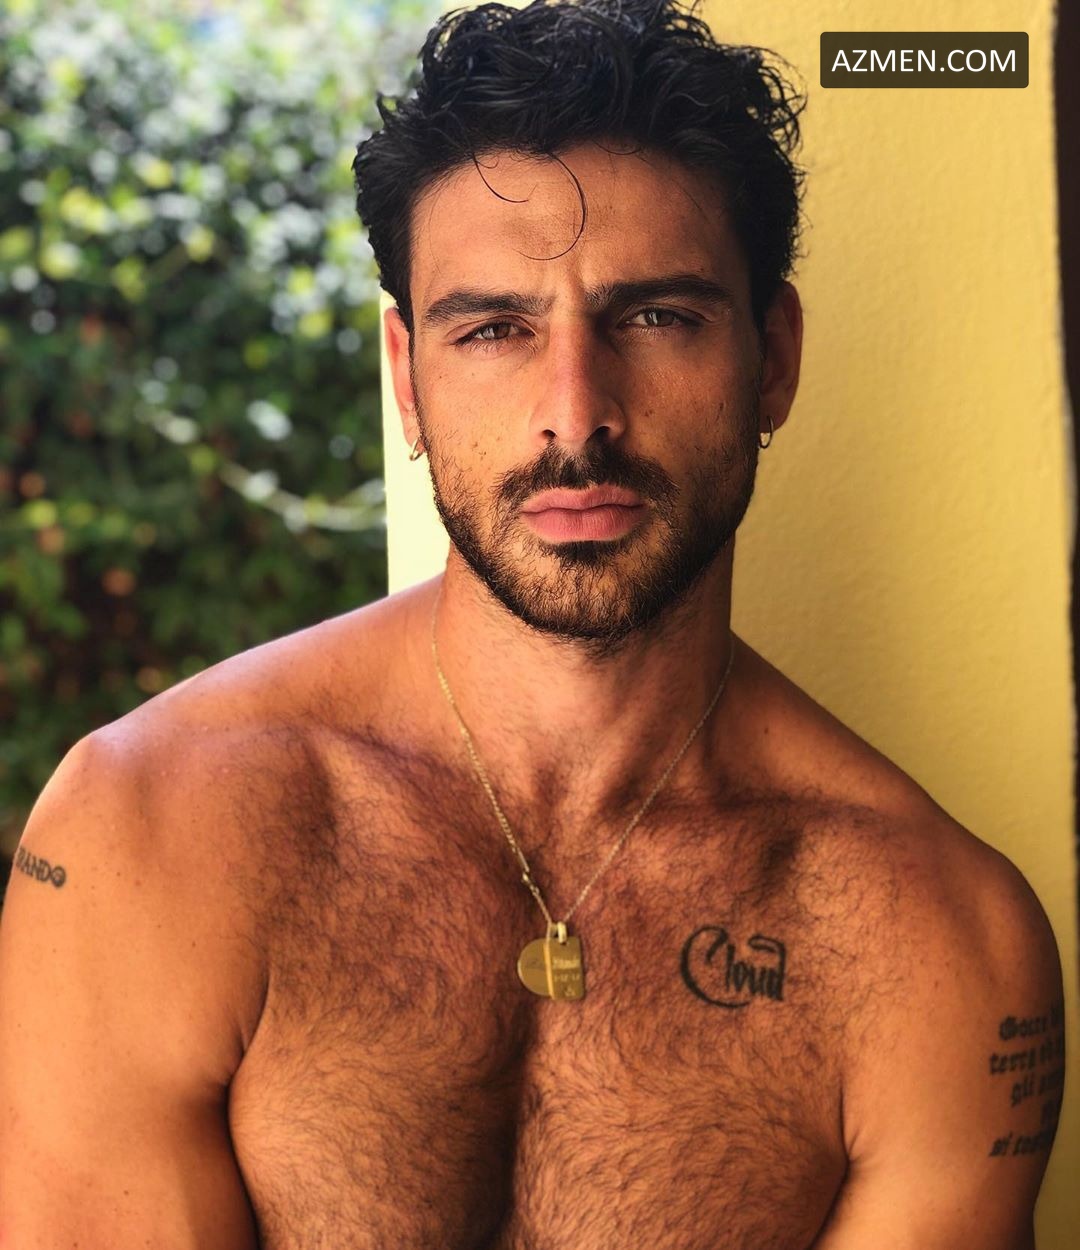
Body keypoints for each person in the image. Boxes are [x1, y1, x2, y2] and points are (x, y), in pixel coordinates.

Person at [0, 0, 1065, 1245]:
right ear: (407, 376)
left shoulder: (935, 943)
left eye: (656, 317)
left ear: (772, 358)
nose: (575, 412)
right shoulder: (148, 835)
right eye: (495, 328)